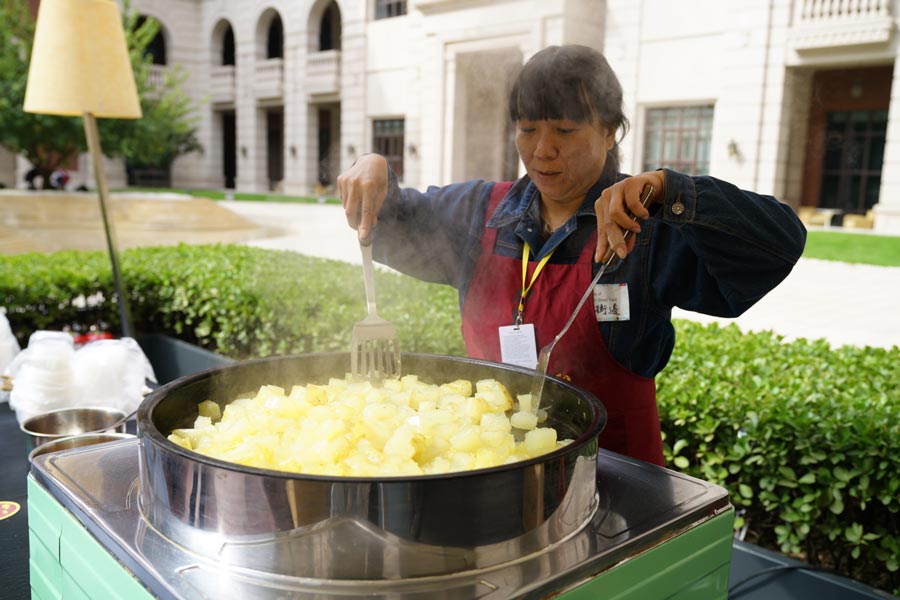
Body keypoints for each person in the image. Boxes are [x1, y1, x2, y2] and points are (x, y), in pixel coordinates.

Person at [338, 45, 806, 466]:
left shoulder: (646, 225)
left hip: (617, 475)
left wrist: (672, 189)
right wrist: (373, 170)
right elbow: (390, 222)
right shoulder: (481, 212)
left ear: (609, 132)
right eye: (527, 129)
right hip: (490, 465)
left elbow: (779, 244)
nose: (543, 150)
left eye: (564, 129)